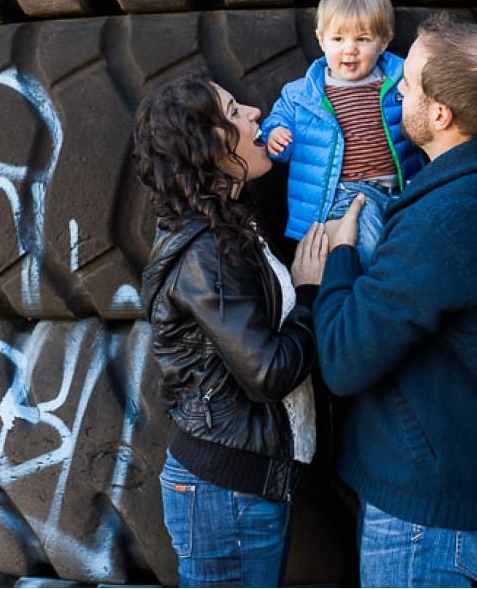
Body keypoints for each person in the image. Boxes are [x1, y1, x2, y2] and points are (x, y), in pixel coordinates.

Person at [313, 14, 477, 587]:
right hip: (467, 466)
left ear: (442, 115)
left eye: (409, 84)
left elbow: (344, 362)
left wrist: (338, 260)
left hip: (420, 515)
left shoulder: (441, 227)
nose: (393, 85)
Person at [136, 73, 328, 587]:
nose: (254, 114)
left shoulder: (229, 227)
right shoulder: (206, 251)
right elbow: (266, 372)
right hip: (227, 495)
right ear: (209, 143)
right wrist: (310, 292)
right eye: (234, 111)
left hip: (242, 489)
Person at [258, 0, 425, 269]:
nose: (350, 50)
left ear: (384, 41)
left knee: (411, 251)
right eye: (338, 39)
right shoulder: (302, 95)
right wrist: (276, 136)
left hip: (400, 190)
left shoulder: (400, 83)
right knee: (367, 249)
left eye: (362, 39)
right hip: (342, 196)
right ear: (321, 40)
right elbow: (277, 124)